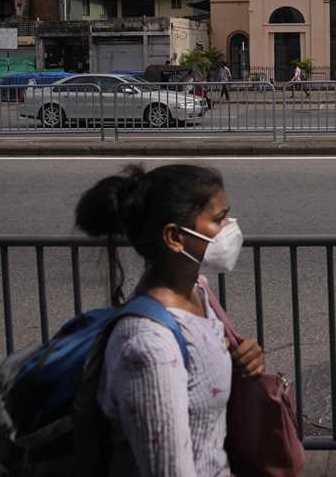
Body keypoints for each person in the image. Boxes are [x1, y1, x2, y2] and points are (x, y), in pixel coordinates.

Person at [74, 164, 264, 477]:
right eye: (218, 219)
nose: (230, 228)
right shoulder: (148, 348)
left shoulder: (199, 291)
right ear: (175, 237)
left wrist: (237, 361)